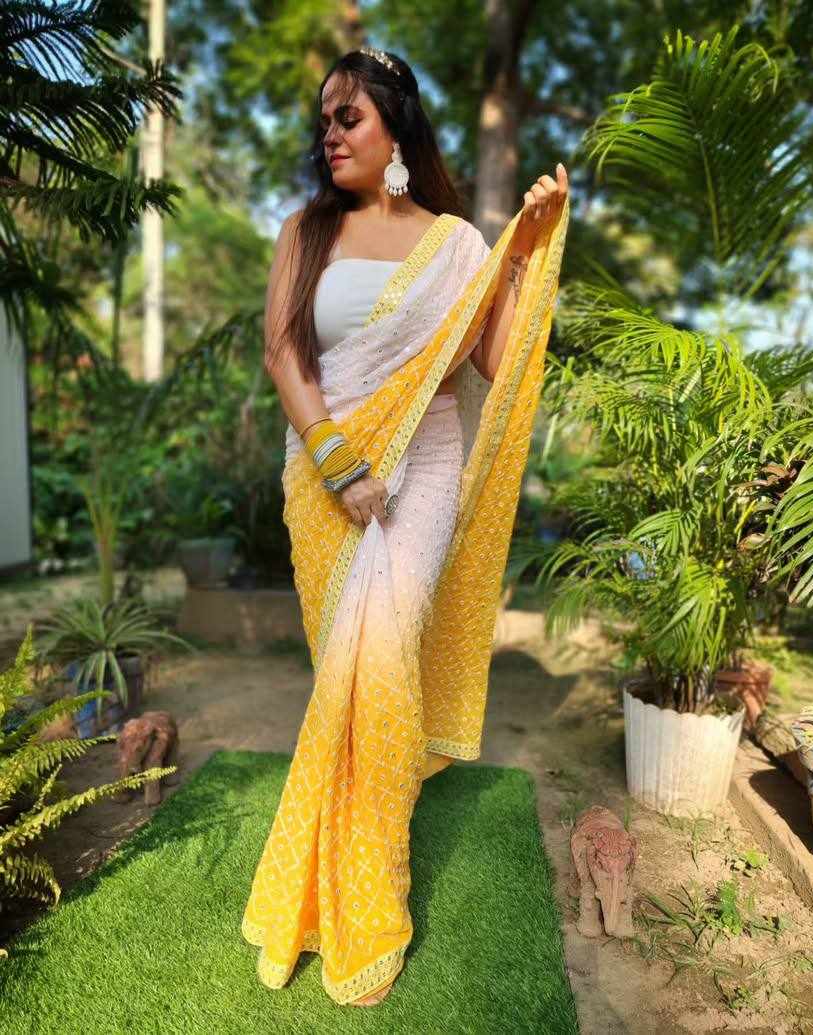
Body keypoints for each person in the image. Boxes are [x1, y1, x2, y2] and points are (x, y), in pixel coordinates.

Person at [241, 45, 570, 1007]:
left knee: (381, 668)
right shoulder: (306, 231)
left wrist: (526, 252)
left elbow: (496, 364)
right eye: (324, 120)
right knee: (340, 687)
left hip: (420, 476)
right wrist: (339, 464)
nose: (330, 134)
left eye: (349, 117)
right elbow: (283, 352)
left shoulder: (458, 245)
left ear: (397, 129)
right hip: (324, 480)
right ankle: (326, 884)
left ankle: (370, 903)